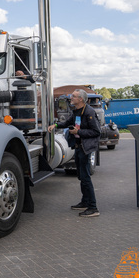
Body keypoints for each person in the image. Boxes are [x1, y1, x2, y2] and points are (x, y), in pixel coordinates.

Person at [47, 89, 101, 217]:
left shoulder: (89, 112)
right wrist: (55, 125)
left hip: (84, 148)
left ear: (81, 99)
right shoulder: (76, 111)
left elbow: (96, 131)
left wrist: (78, 132)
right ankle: (85, 202)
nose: (71, 98)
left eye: (74, 96)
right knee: (81, 176)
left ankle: (93, 208)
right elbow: (67, 123)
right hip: (78, 147)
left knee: (86, 177)